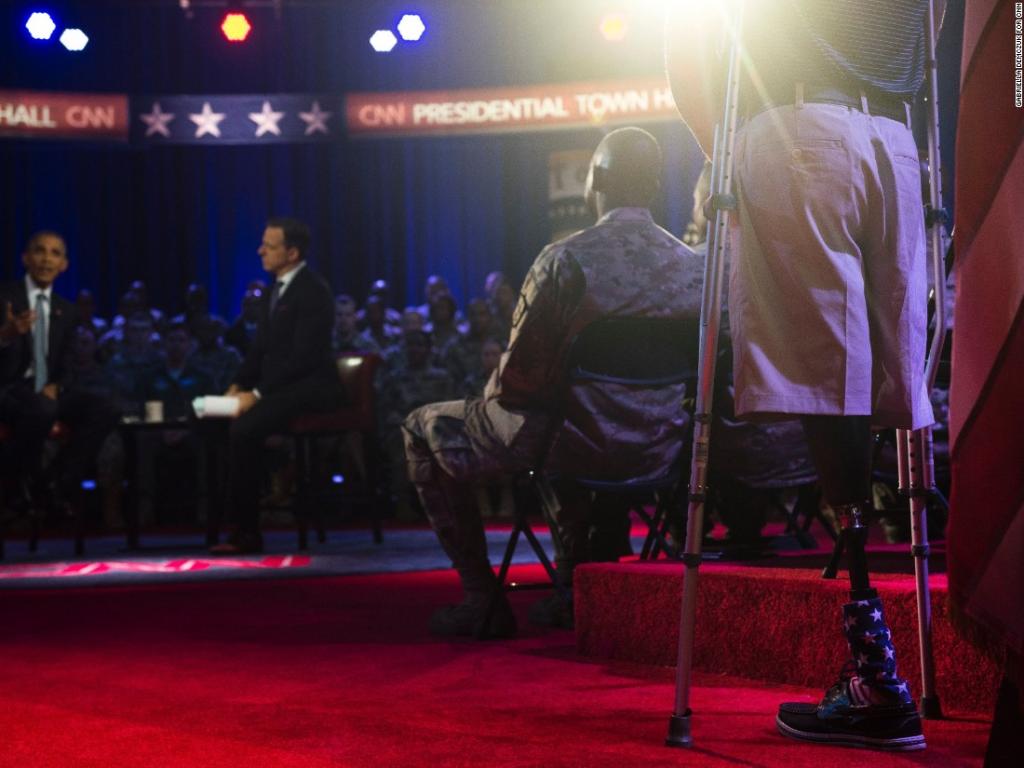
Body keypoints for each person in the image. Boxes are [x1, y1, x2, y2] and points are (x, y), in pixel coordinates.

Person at [667, 0, 937, 750]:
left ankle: (874, 671)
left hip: (796, 130)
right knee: (882, 376)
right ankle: (882, 659)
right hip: (896, 141)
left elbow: (685, 47)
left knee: (829, 379)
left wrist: (728, 152)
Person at [403, 127, 702, 637]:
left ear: (596, 181)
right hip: (661, 447)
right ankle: (579, 585)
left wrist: (487, 402)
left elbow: (520, 379)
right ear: (654, 186)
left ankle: (481, 600)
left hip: (570, 443)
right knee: (569, 409)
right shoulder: (694, 267)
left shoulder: (566, 259)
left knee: (421, 425)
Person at [211, 217, 344, 554]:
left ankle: (246, 533)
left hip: (311, 387)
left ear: (292, 253)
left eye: (269, 246)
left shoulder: (313, 291)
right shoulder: (272, 290)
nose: (260, 251)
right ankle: (216, 521)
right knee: (207, 418)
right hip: (281, 388)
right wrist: (238, 384)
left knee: (244, 428)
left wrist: (256, 395)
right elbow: (259, 351)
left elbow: (303, 358)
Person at [0, 231, 117, 514]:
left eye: (55, 253)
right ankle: (15, 482)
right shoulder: (5, 298)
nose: (46, 259)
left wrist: (57, 385)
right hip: (9, 389)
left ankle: (56, 481)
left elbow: (67, 363)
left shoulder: (68, 310)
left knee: (106, 408)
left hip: (47, 392)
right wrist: (6, 335)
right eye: (39, 251)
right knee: (43, 409)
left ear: (64, 265)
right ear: (25, 258)